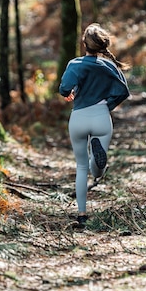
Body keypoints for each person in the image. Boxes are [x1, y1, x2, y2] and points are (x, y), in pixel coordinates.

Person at [59, 23, 130, 228]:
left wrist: (69, 94)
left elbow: (64, 88)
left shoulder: (75, 64)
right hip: (100, 116)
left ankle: (81, 214)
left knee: (81, 167)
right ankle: (98, 162)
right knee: (97, 169)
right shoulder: (109, 66)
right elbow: (123, 91)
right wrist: (107, 105)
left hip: (79, 117)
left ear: (84, 44)